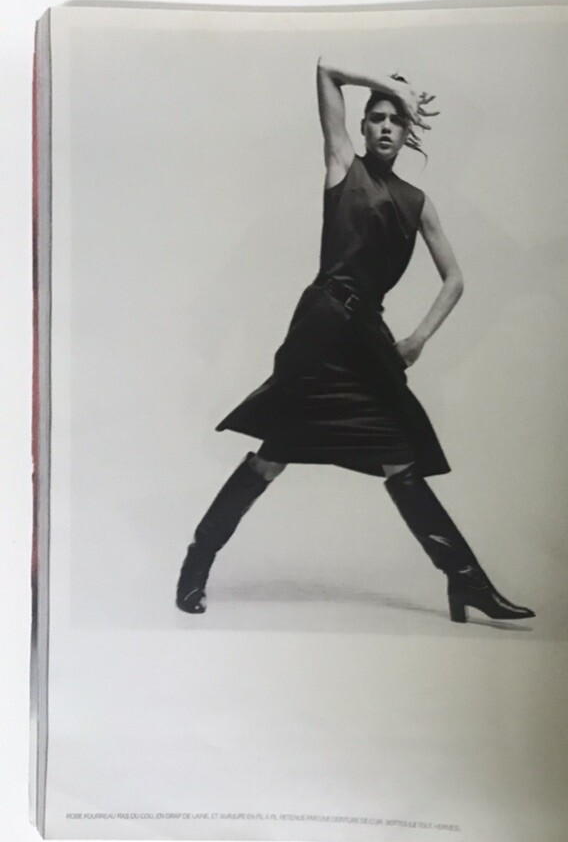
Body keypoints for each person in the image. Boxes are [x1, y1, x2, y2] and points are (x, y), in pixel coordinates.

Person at [175, 58, 534, 625]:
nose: (386, 127)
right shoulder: (343, 166)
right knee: (272, 457)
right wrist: (389, 86)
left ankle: (467, 583)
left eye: (396, 120)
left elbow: (456, 279)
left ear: (407, 133)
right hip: (320, 331)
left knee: (399, 457)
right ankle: (196, 564)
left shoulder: (417, 202)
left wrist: (418, 338)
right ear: (363, 127)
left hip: (368, 338)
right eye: (377, 118)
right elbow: (325, 70)